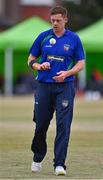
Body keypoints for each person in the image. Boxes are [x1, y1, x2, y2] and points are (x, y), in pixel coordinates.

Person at [28, 6, 85, 176]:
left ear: (65, 19)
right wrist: (39, 65)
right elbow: (31, 59)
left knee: (63, 126)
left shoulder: (74, 39)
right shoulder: (43, 37)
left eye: (58, 20)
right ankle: (37, 158)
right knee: (41, 125)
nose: (55, 23)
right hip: (44, 87)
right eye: (52, 20)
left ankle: (59, 164)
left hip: (65, 87)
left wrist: (67, 73)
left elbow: (81, 63)